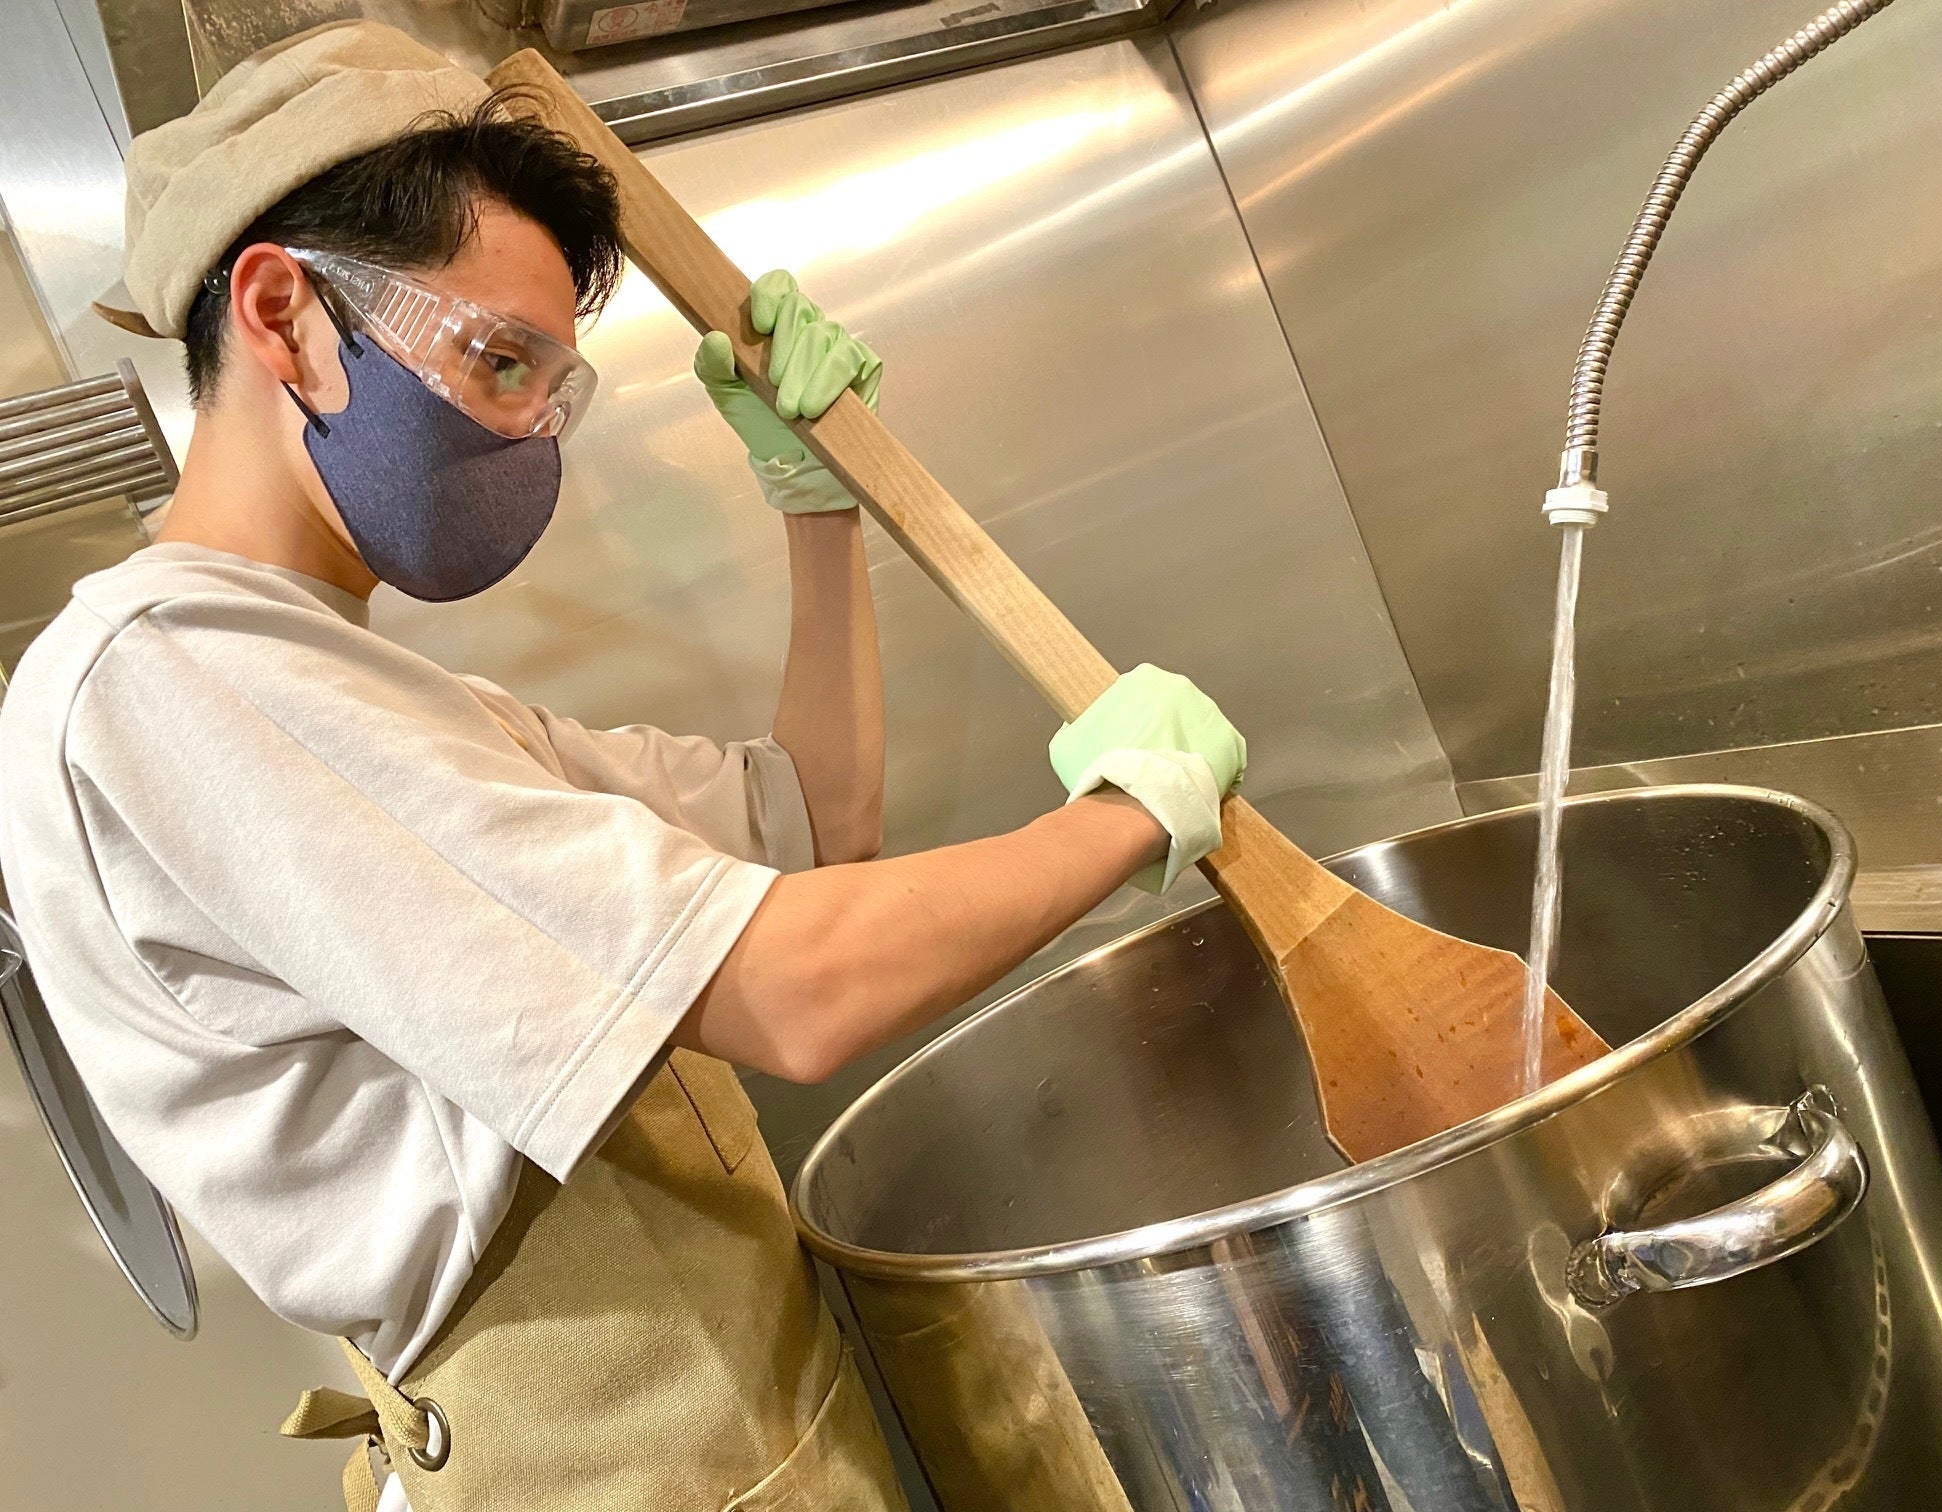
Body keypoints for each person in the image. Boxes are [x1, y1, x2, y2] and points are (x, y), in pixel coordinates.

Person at [0, 21, 1245, 1512]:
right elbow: (793, 994)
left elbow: (810, 823)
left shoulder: (376, 702)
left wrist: (817, 502)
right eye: (497, 363)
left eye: (552, 391)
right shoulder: (166, 678)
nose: (529, 435)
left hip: (722, 1419)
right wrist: (1129, 815)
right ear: (283, 315)